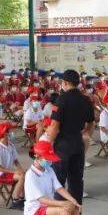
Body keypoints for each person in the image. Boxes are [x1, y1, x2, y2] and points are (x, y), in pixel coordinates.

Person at [42, 69, 94, 203]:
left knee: (59, 182)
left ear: (64, 82)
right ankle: (76, 214)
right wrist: (85, 132)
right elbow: (91, 123)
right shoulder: (85, 99)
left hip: (63, 145)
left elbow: (54, 126)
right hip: (78, 143)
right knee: (76, 181)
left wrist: (48, 144)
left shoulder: (61, 100)